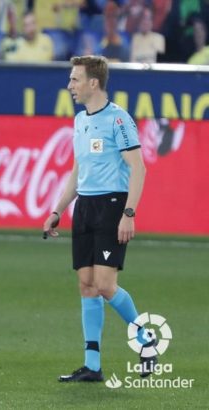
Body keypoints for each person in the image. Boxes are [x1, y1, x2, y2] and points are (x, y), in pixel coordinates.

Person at [43, 55, 156, 383]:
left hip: (111, 205)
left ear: (94, 83)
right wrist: (57, 210)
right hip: (86, 207)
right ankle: (92, 364)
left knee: (106, 285)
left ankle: (147, 343)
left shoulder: (118, 119)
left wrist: (128, 214)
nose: (70, 86)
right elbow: (77, 172)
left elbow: (138, 167)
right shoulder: (80, 121)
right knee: (86, 285)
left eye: (75, 79)